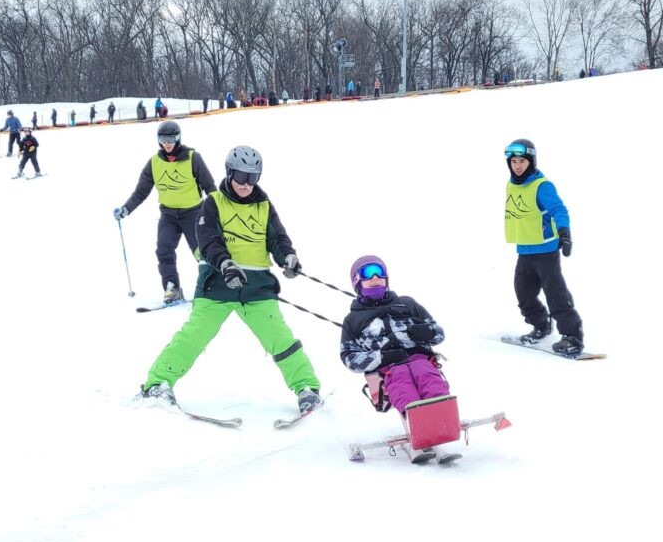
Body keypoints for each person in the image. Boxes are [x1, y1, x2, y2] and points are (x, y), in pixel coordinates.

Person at [136, 145, 321, 413]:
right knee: (194, 336)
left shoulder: (264, 205)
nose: (246, 184)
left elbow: (277, 238)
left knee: (280, 338)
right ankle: (158, 383)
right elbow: (207, 240)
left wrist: (288, 257)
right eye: (241, 177)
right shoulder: (213, 203)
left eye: (253, 178)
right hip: (217, 285)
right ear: (229, 172)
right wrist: (225, 263)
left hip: (256, 288)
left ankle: (306, 387)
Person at [113, 120, 216, 305]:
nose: (167, 142)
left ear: (178, 138)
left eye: (171, 138)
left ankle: (214, 284)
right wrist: (126, 209)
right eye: (163, 138)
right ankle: (172, 288)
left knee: (201, 252)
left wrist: (220, 209)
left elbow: (210, 186)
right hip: (168, 215)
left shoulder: (193, 158)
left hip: (193, 213)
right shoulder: (154, 163)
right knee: (164, 249)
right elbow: (141, 192)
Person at [504, 138, 584, 356]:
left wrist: (564, 233)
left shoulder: (542, 186)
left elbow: (559, 210)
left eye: (522, 161)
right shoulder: (512, 184)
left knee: (555, 294)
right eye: (514, 162)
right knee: (524, 295)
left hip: (546, 251)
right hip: (524, 250)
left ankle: (572, 336)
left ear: (531, 161)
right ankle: (541, 325)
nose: (518, 165)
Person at [340, 255, 449, 415]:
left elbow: (438, 334)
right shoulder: (353, 320)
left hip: (419, 357)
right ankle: (415, 416)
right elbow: (349, 358)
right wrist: (381, 357)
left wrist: (427, 332)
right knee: (400, 380)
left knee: (425, 373)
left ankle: (442, 410)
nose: (375, 277)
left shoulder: (407, 303)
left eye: (379, 272)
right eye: (368, 273)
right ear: (357, 281)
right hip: (388, 369)